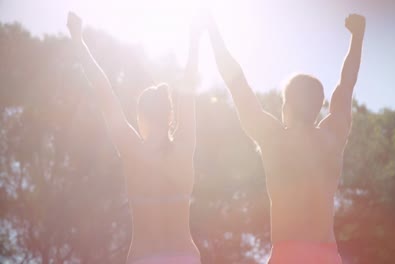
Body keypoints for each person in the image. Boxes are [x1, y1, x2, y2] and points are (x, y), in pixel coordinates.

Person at [205, 13, 366, 263]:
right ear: (318, 105)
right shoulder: (332, 137)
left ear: (286, 107)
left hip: (287, 255)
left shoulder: (274, 139)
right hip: (326, 256)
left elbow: (236, 83)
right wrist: (357, 37)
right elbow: (347, 83)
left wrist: (213, 32)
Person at [67, 12, 201, 264]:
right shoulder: (183, 150)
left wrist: (78, 41)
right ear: (170, 115)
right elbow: (189, 90)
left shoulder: (131, 150)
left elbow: (104, 91)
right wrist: (194, 40)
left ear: (141, 117)